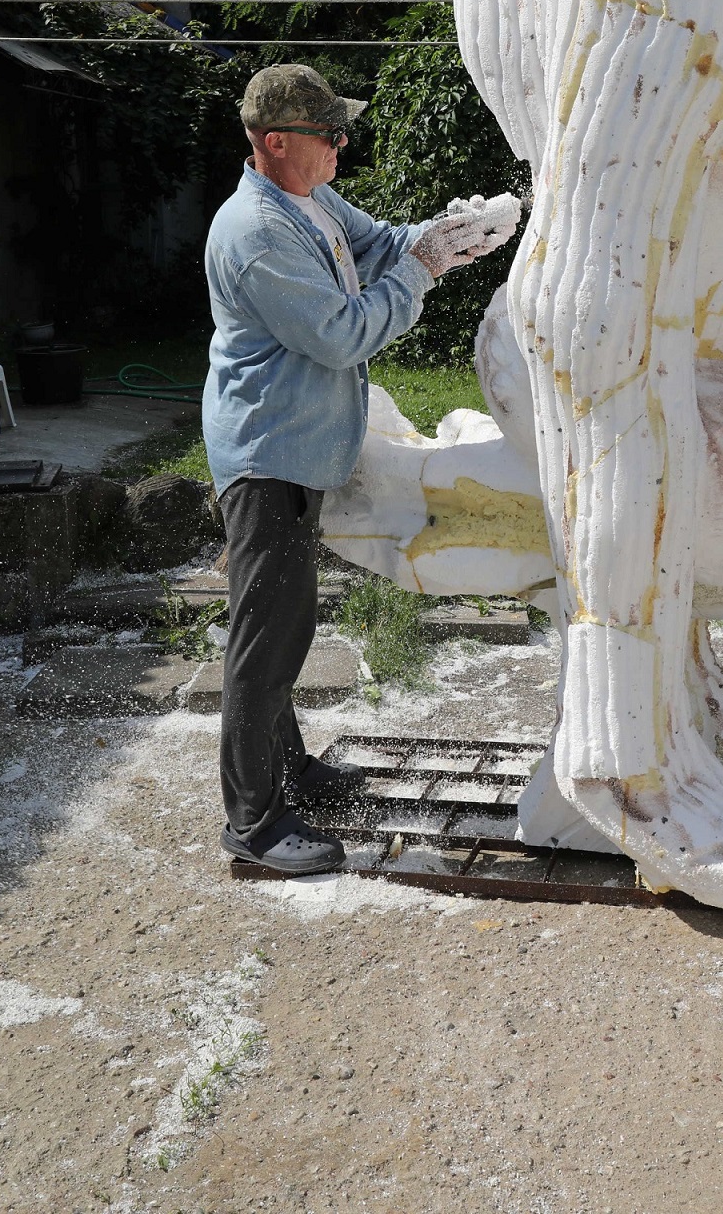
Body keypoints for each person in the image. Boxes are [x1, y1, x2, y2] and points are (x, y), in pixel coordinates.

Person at [203, 63, 517, 875]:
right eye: (329, 133)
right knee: (267, 638)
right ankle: (253, 823)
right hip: (268, 454)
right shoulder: (256, 234)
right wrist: (422, 271)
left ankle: (289, 770)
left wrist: (445, 235)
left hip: (296, 446)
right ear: (277, 142)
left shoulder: (309, 200)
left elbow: (379, 244)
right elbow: (343, 334)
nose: (343, 144)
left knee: (281, 625)